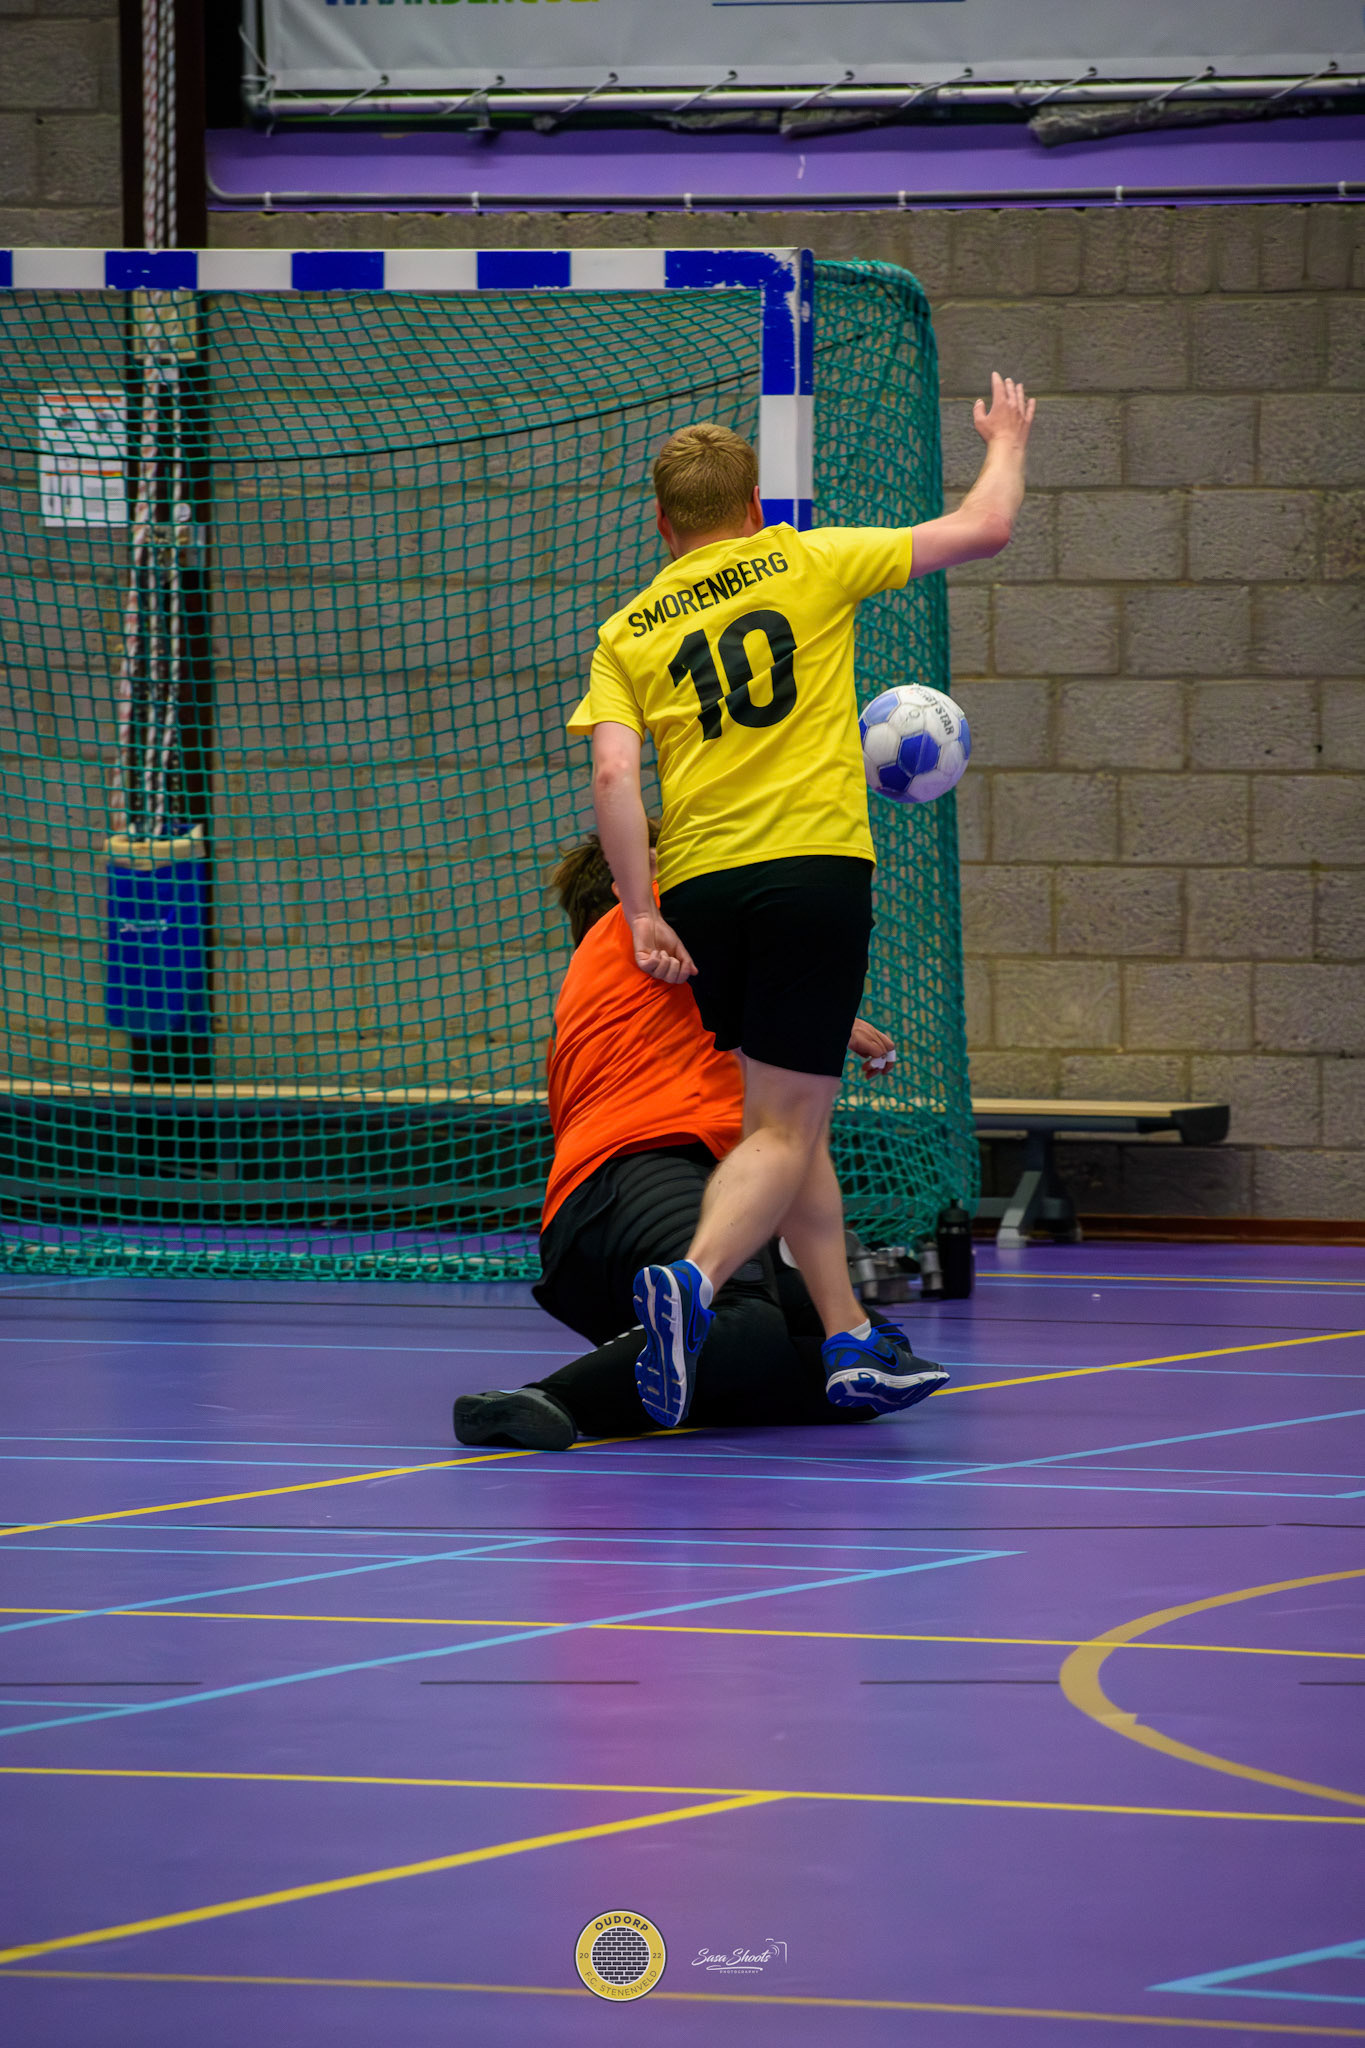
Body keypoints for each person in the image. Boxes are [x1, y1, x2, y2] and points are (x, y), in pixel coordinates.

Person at [568, 373, 1035, 1429]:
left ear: (660, 523)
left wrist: (640, 909)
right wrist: (1005, 439)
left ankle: (848, 1339)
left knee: (787, 1117)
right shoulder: (808, 558)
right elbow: (985, 527)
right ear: (755, 505)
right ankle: (692, 1280)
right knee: (782, 1128)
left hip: (701, 888)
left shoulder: (626, 630)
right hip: (811, 868)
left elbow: (612, 777)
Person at [452, 831, 947, 1453]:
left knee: (863, 1365)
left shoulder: (675, 972)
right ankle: (544, 1401)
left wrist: (823, 1021)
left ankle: (673, 1363)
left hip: (678, 1207)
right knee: (746, 1321)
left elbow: (757, 989)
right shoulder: (637, 925)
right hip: (634, 1178)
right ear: (629, 884)